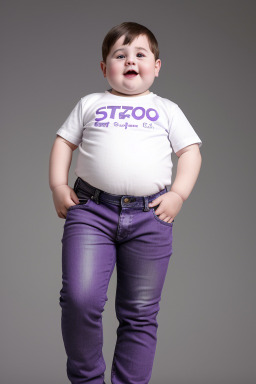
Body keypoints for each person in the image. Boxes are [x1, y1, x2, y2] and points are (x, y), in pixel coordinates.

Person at [49, 21, 202, 384]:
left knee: (140, 312)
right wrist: (58, 184)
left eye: (140, 54)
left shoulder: (166, 109)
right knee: (80, 299)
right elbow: (63, 143)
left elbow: (191, 152)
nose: (130, 61)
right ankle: (87, 380)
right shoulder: (91, 103)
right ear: (105, 68)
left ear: (157, 66)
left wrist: (178, 194)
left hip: (150, 217)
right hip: (91, 212)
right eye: (120, 55)